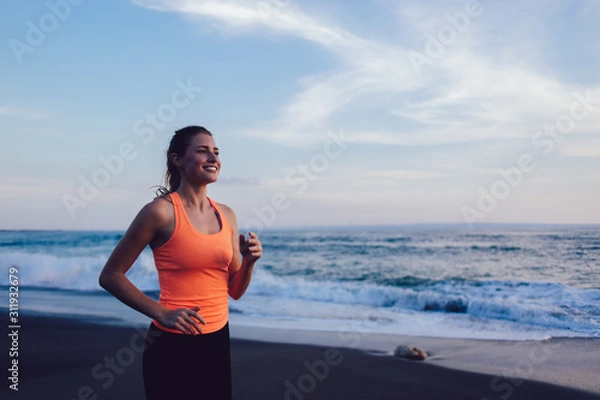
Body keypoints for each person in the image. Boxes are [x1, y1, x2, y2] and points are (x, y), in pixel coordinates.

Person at [99, 125, 262, 400]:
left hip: (217, 341)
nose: (213, 158)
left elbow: (234, 291)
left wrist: (248, 262)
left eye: (216, 152)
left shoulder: (227, 215)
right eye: (202, 151)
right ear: (177, 159)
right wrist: (161, 313)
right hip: (171, 345)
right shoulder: (159, 212)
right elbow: (111, 275)